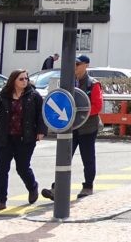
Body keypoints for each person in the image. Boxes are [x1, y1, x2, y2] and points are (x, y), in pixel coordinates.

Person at [41, 55, 103, 201]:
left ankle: (88, 186)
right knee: (64, 157)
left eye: (78, 64)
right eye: (73, 63)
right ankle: (57, 188)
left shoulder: (93, 84)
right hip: (70, 127)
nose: (74, 66)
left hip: (88, 127)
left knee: (87, 158)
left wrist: (77, 112)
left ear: (86, 65)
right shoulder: (67, 82)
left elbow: (97, 106)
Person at [0, 70, 46, 212]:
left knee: (22, 167)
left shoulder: (33, 95)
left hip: (26, 138)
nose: (25, 81)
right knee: (1, 168)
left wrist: (41, 131)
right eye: (21, 79)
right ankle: (0, 200)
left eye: (26, 78)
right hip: (5, 137)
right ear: (13, 81)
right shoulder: (4, 95)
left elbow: (40, 114)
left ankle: (32, 186)